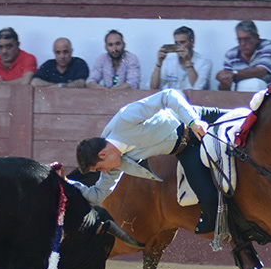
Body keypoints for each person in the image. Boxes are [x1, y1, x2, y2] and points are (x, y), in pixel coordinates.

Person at [69, 89, 230, 234]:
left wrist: (193, 121)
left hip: (197, 118)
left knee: (248, 119)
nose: (103, 172)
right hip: (186, 150)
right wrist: (65, 182)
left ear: (103, 155)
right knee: (209, 201)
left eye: (99, 169)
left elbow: (168, 96)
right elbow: (97, 195)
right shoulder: (114, 165)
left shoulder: (125, 119)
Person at [215, 20, 271, 92]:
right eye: (239, 39)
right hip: (241, 99)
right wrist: (224, 82)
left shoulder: (268, 47)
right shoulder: (230, 55)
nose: (243, 44)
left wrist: (233, 73)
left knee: (256, 83)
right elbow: (226, 90)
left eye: (247, 39)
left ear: (257, 38)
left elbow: (260, 72)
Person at [150, 25, 212, 90]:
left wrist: (187, 61)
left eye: (182, 42)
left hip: (196, 99)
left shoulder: (205, 62)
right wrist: (159, 63)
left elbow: (197, 88)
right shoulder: (168, 62)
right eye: (176, 43)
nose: (179, 46)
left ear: (192, 42)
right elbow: (153, 88)